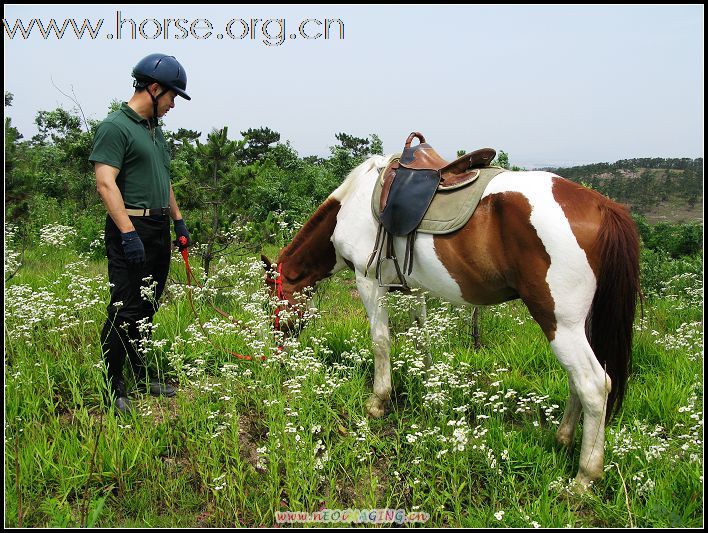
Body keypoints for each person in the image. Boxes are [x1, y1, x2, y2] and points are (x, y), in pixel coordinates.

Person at [90, 53, 192, 414]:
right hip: (128, 228)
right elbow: (105, 183)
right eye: (171, 96)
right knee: (125, 306)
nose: (172, 104)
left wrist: (178, 222)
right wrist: (128, 234)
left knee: (148, 306)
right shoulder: (116, 127)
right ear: (153, 88)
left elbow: (163, 182)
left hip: (158, 228)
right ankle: (113, 384)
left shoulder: (154, 132)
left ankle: (139, 371)